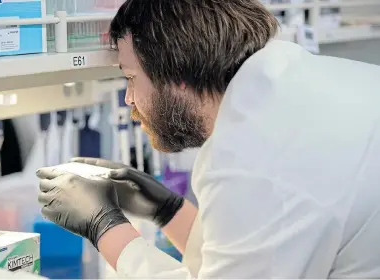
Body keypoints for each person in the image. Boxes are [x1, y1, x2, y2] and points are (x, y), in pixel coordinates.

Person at [36, 0, 380, 278]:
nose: (128, 99)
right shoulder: (292, 88)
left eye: (130, 77)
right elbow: (248, 256)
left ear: (176, 69)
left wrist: (104, 227)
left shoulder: (253, 156)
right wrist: (166, 210)